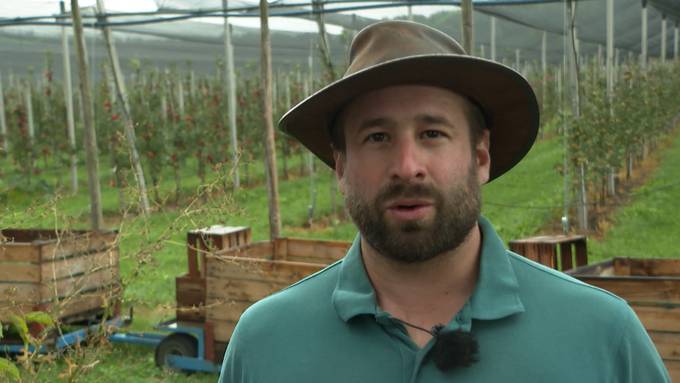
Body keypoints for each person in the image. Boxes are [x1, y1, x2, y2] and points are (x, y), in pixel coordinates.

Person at [219, 20, 669, 382]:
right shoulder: (266, 344)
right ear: (340, 166)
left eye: (432, 134)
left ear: (480, 155)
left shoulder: (601, 336)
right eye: (377, 137)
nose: (407, 165)